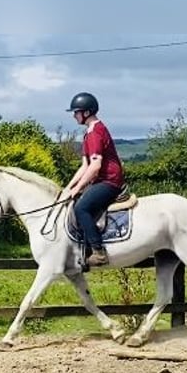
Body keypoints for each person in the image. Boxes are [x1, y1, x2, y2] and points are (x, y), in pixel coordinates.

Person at [64, 92, 125, 267]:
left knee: (81, 208)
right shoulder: (88, 133)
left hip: (110, 180)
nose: (74, 115)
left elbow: (95, 166)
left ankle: (98, 252)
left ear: (86, 112)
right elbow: (84, 166)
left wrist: (79, 188)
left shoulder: (96, 132)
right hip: (100, 180)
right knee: (75, 200)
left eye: (76, 112)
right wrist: (69, 188)